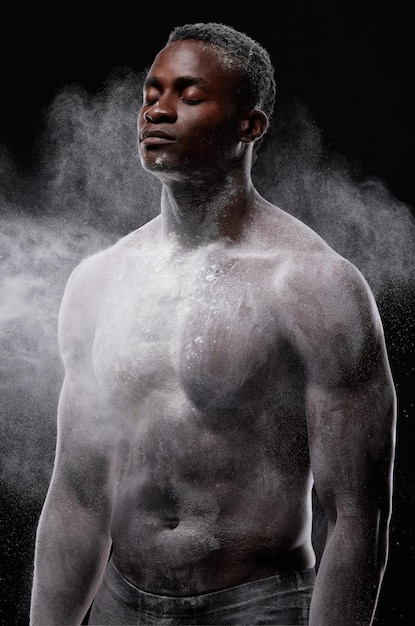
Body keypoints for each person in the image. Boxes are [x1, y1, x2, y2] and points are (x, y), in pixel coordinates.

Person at [30, 22, 396, 626]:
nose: (158, 110)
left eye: (189, 95)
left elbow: (356, 517)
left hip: (256, 606)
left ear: (250, 125)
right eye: (151, 93)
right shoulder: (100, 280)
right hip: (123, 600)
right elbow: (77, 495)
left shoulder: (313, 285)